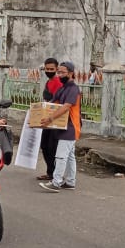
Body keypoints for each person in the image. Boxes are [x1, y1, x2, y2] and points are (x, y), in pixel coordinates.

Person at [38, 61, 81, 192]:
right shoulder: (62, 88)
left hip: (71, 126)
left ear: (71, 73)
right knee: (69, 156)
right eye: (59, 72)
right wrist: (39, 112)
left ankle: (56, 182)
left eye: (62, 72)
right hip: (62, 126)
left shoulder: (73, 89)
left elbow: (66, 106)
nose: (60, 74)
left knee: (61, 156)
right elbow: (52, 103)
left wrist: (50, 118)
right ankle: (70, 182)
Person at [36, 57, 62, 182]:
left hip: (55, 119)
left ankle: (55, 174)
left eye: (52, 69)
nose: (49, 71)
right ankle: (50, 172)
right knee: (45, 146)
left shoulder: (58, 82)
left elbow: (57, 102)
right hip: (46, 118)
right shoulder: (48, 82)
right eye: (47, 69)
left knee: (52, 147)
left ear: (56, 69)